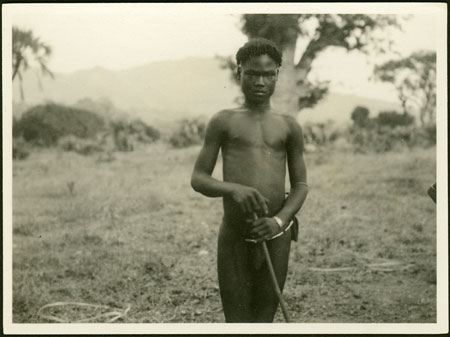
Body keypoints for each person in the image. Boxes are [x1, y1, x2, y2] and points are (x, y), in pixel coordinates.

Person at [191, 38, 308, 323]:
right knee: (237, 320)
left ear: (278, 75)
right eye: (252, 73)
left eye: (268, 74)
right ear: (239, 72)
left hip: (277, 237)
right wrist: (233, 189)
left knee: (264, 319)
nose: (260, 81)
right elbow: (198, 178)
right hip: (235, 235)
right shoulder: (223, 121)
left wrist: (279, 221)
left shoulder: (289, 126)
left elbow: (301, 186)